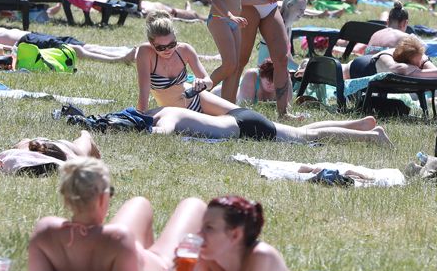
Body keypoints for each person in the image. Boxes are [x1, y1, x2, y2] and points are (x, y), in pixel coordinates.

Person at [194, 195, 437, 271]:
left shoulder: (262, 257)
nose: (198, 234)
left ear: (235, 234)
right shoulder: (208, 256)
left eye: (209, 228)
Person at [29, 157, 207, 271]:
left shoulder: (45, 231)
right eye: (110, 193)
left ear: (67, 198)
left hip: (125, 258)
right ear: (101, 198)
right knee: (194, 205)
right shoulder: (117, 239)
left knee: (139, 203)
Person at [135, 11, 242, 115]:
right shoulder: (145, 52)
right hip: (176, 113)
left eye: (172, 44)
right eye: (161, 47)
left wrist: (202, 82)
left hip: (198, 99)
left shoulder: (185, 50)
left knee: (242, 115)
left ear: (175, 37)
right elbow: (144, 92)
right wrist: (140, 117)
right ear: (151, 43)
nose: (167, 50)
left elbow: (209, 83)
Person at [147, 106, 393, 146]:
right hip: (239, 117)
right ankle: (359, 125)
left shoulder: (168, 117)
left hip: (245, 126)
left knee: (306, 136)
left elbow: (161, 132)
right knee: (303, 131)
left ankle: (371, 136)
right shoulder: (166, 110)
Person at [0, 22, 136, 63]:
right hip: (27, 41)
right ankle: (118, 59)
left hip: (32, 35)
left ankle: (122, 51)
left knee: (81, 44)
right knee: (75, 49)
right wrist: (13, 49)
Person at [347, 36, 437, 80]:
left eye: (420, 61)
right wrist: (420, 71)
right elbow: (401, 69)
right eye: (415, 63)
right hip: (349, 71)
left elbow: (434, 72)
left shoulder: (418, 54)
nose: (419, 65)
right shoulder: (387, 59)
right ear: (405, 61)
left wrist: (424, 64)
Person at [122, 0, 201, 22]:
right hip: (181, 14)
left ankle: (188, 9)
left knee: (205, 18)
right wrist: (193, 21)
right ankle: (188, 9)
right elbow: (172, 19)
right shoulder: (146, 12)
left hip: (176, 11)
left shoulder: (142, 5)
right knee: (202, 17)